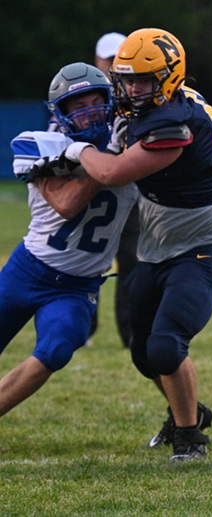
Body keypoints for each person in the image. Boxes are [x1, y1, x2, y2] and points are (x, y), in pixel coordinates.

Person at [40, 28, 212, 461]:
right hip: (156, 241)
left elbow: (110, 173)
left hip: (203, 243)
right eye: (126, 80)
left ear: (169, 78)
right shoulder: (157, 104)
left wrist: (74, 149)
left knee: (166, 346)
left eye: (144, 81)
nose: (133, 90)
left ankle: (189, 437)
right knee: (143, 352)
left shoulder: (173, 123)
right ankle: (190, 412)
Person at [1, 63, 138, 421]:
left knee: (58, 348)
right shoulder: (43, 145)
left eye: (95, 102)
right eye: (77, 106)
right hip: (27, 271)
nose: (88, 112)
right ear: (60, 113)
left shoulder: (132, 146)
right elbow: (67, 204)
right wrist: (101, 158)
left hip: (77, 287)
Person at [88, 31, 139, 350]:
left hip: (130, 192)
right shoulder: (84, 96)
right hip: (91, 189)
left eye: (118, 59)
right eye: (109, 59)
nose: (113, 65)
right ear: (97, 60)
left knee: (132, 262)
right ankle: (84, 325)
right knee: (85, 259)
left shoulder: (137, 96)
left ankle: (130, 332)